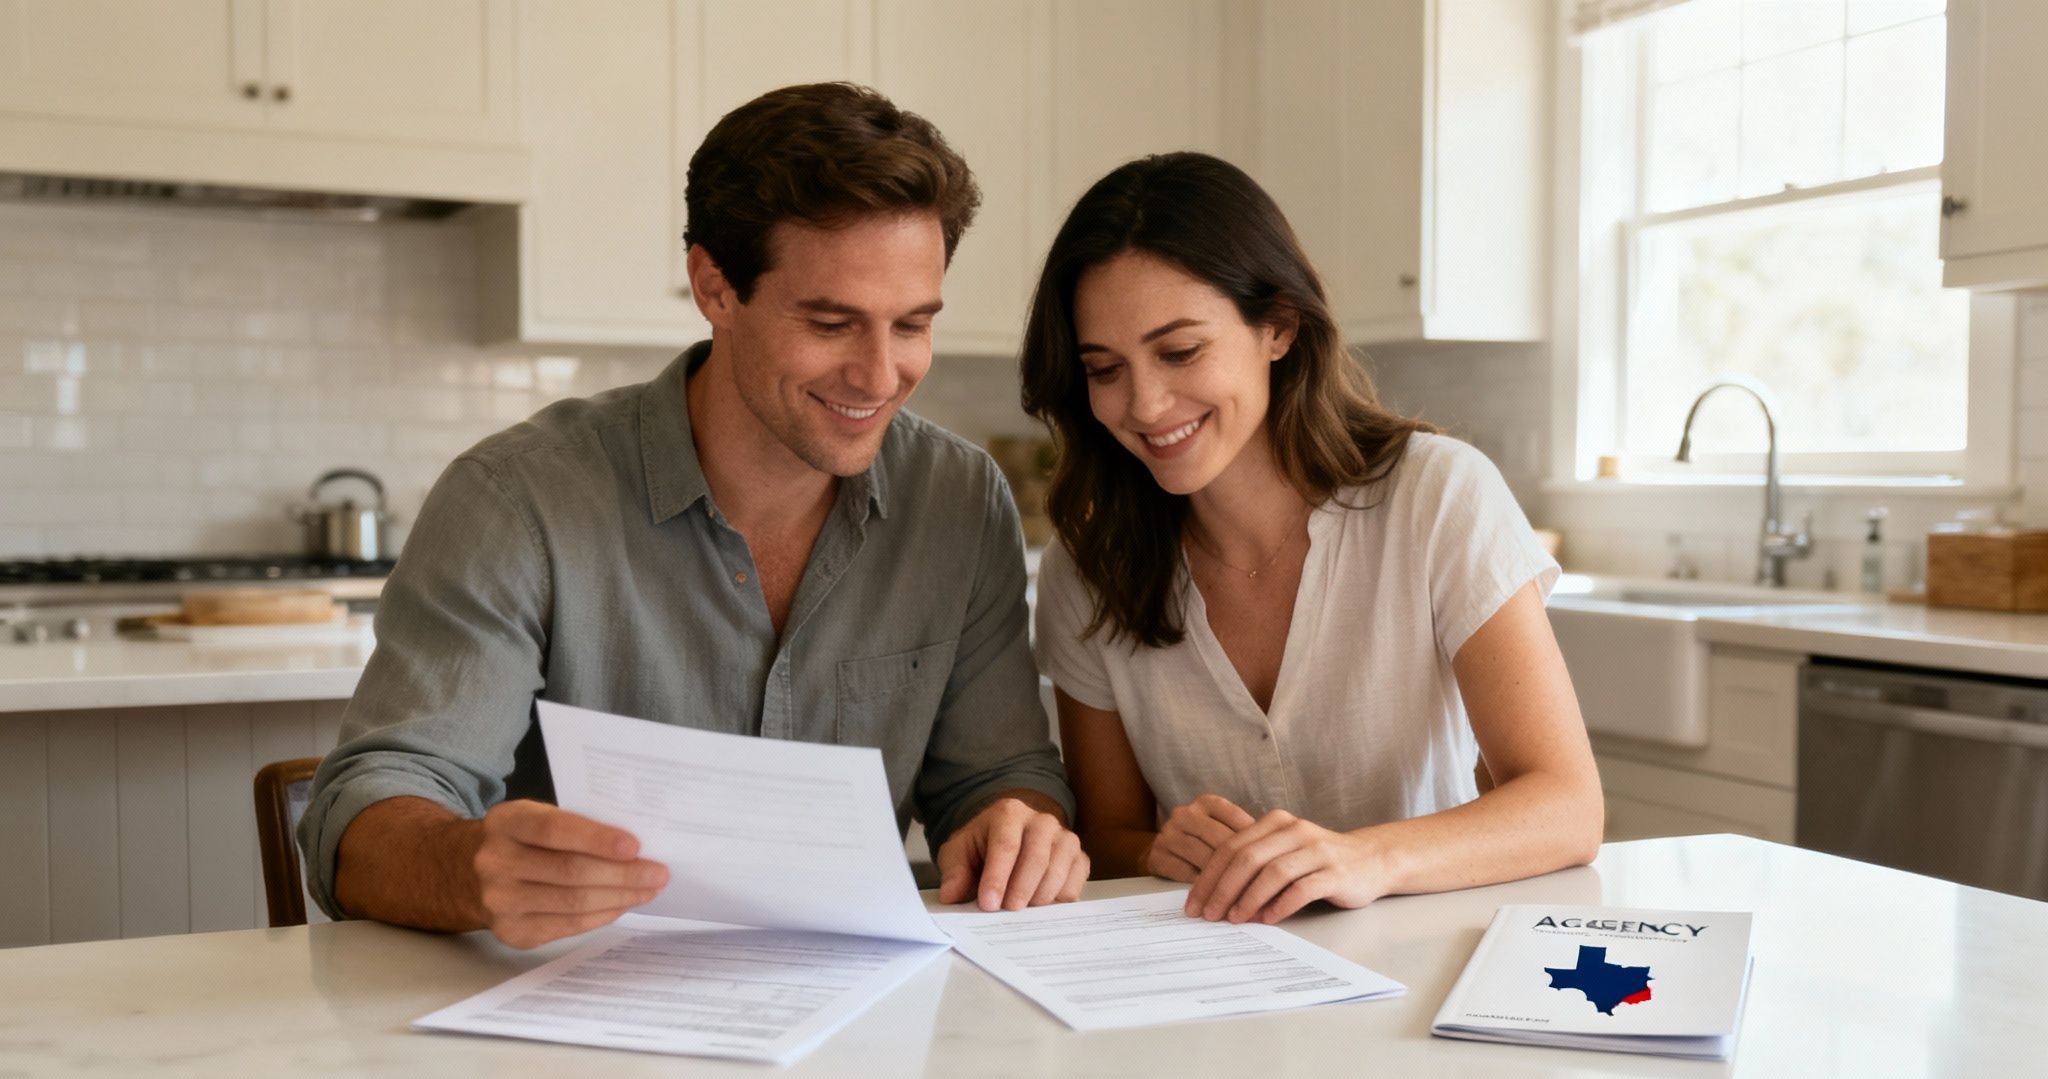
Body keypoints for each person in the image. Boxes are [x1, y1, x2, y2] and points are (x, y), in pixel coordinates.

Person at [298, 83, 1087, 949]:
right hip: (574, 1036)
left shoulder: (959, 500)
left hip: (859, 1014)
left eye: (912, 325)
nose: (879, 374)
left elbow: (1000, 776)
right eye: (831, 323)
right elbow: (367, 809)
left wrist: (1015, 826)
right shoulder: (517, 500)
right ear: (714, 287)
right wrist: (469, 867)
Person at [1022, 152, 1601, 927]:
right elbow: (1108, 833)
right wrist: (1156, 847)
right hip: (1209, 986)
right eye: (1105, 369)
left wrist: (1368, 856)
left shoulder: (1437, 497)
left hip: (1420, 961)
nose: (1146, 404)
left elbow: (1567, 807)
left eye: (1180, 351)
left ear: (1279, 327)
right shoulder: (1085, 571)